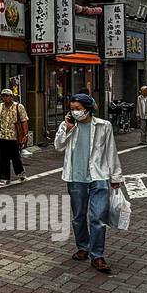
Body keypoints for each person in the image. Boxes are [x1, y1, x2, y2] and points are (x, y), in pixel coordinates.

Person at [54, 92, 122, 274]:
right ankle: (83, 247)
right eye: (72, 109)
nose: (75, 112)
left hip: (98, 176)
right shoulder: (67, 125)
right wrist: (68, 129)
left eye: (78, 109)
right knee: (78, 216)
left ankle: (97, 255)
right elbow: (58, 146)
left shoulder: (103, 126)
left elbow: (111, 152)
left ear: (88, 109)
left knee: (98, 217)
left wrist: (116, 177)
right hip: (75, 177)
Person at [0, 88, 29, 186]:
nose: (5, 97)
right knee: (3, 157)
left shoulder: (18, 106)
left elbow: (24, 121)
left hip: (15, 136)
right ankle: (4, 177)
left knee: (15, 156)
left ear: (11, 96)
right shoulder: (0, 107)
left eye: (7, 95)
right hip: (2, 135)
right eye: (3, 96)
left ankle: (21, 172)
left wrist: (25, 135)